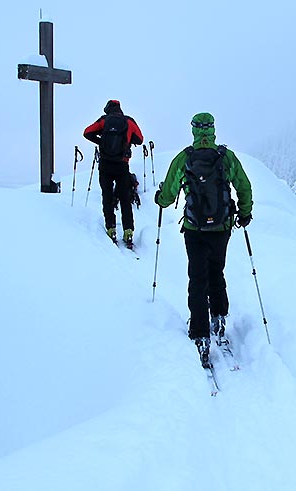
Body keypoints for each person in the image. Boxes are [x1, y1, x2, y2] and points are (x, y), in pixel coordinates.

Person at [155, 112, 253, 368]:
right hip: (221, 228)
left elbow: (168, 193)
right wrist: (244, 213)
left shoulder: (184, 158)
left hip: (194, 228)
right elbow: (244, 186)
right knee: (216, 271)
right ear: (212, 130)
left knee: (197, 278)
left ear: (194, 131)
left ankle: (199, 332)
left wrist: (160, 199)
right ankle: (219, 317)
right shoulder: (225, 157)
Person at [83, 100, 143, 248]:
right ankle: (128, 230)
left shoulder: (104, 121)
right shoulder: (129, 121)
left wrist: (101, 142)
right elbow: (140, 139)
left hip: (105, 164)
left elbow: (87, 132)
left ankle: (111, 228)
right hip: (122, 164)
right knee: (124, 198)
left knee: (107, 196)